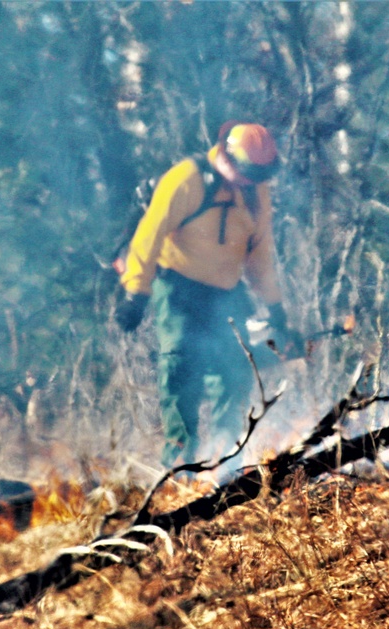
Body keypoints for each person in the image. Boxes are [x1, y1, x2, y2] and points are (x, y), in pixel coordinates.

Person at [114, 121, 298, 471]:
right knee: (182, 370)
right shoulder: (186, 179)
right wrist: (136, 295)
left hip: (226, 294)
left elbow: (260, 255)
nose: (251, 180)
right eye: (247, 172)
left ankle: (225, 462)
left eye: (258, 174)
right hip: (178, 288)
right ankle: (180, 467)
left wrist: (275, 309)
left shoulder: (255, 191)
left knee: (235, 372)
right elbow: (149, 236)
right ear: (226, 155)